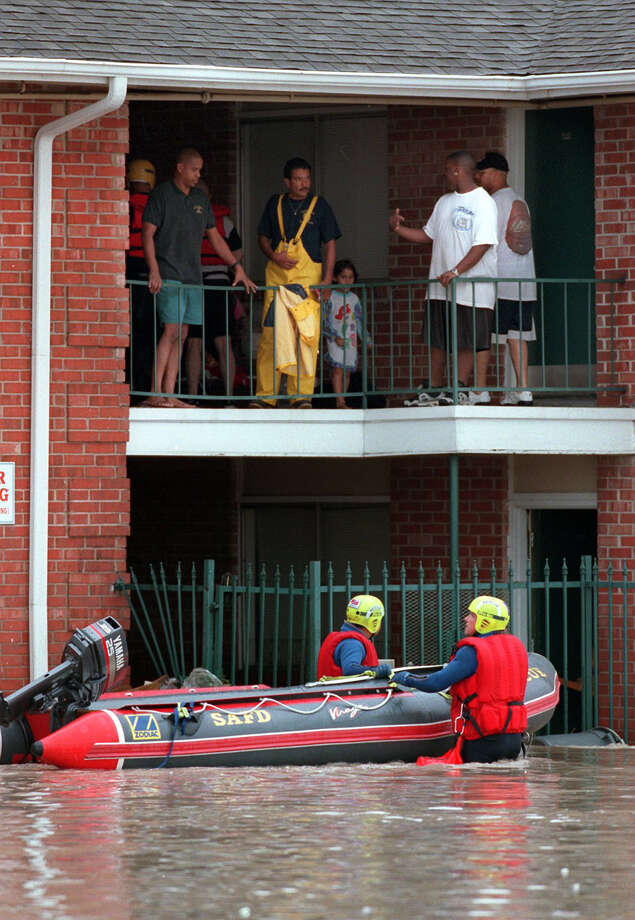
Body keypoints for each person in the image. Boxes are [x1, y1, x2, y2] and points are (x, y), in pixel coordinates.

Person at [142, 147, 256, 408]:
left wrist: (236, 265)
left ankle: (170, 394)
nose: (198, 174)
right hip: (169, 274)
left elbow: (215, 239)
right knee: (170, 331)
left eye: (200, 170)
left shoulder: (200, 200)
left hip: (194, 278)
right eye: (194, 169)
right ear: (180, 168)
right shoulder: (161, 195)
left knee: (182, 334)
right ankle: (154, 392)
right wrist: (154, 269)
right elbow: (147, 233)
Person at [389, 151, 498, 407]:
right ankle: (435, 387)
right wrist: (396, 228)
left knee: (465, 338)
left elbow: (482, 244)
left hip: (471, 288)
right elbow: (428, 235)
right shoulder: (443, 201)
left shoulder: (483, 202)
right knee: (437, 337)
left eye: (448, 170)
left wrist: (457, 271)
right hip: (440, 287)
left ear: (458, 170)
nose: (445, 175)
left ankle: (457, 387)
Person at [393, 595, 528, 764]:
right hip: (514, 741)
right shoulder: (516, 648)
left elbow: (435, 683)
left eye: (472, 615)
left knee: (471, 788)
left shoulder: (471, 652)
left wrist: (405, 678)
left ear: (484, 621)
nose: (466, 619)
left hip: (482, 741)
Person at [253, 157, 340, 408]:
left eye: (307, 179)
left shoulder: (320, 206)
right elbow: (262, 238)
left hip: (307, 283)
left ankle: (301, 396)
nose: (304, 184)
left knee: (306, 338)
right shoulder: (275, 203)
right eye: (299, 179)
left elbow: (331, 243)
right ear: (287, 181)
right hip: (277, 283)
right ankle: (266, 396)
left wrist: (326, 280)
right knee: (271, 336)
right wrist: (273, 256)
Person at [476, 151, 537, 406]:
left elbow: (485, 242)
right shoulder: (519, 200)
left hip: (500, 281)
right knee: (518, 335)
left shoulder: (492, 203)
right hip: (525, 281)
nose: (480, 178)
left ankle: (480, 391)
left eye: (483, 173)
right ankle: (523, 390)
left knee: (485, 336)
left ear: (496, 172)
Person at [185, 178, 243, 403]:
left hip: (196, 283)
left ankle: (191, 397)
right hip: (218, 284)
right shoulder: (225, 222)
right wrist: (228, 267)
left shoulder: (186, 219)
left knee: (195, 341)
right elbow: (237, 254)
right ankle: (228, 398)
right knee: (221, 341)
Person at [125, 158, 157, 401]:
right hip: (150, 277)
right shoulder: (157, 205)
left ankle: (128, 384)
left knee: (130, 333)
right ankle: (145, 387)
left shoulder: (124, 204)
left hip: (127, 276)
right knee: (148, 335)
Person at [323, 259, 372, 408]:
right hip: (336, 338)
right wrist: (333, 336)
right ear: (335, 278)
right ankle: (340, 401)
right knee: (338, 369)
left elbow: (359, 321)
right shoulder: (330, 296)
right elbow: (324, 319)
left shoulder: (354, 298)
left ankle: (342, 398)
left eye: (350, 277)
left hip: (350, 339)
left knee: (348, 371)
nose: (347, 280)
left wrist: (365, 338)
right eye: (343, 277)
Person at [317, 594, 392, 679]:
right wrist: (375, 670)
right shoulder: (352, 643)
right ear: (374, 622)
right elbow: (350, 669)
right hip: (342, 692)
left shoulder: (347, 639)